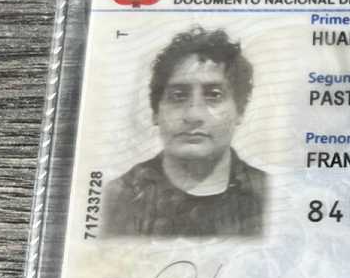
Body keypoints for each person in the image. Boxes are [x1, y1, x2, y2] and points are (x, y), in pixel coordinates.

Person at [102, 26, 266, 237]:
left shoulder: (271, 194)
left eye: (214, 95)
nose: (193, 115)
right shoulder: (117, 198)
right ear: (155, 112)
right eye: (178, 96)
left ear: (240, 110)